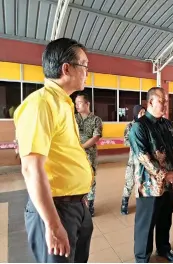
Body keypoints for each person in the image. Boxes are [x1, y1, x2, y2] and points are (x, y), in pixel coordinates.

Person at [13, 38, 93, 263]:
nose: (87, 71)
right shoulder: (41, 105)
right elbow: (31, 169)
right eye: (84, 65)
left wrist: (79, 196)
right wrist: (53, 224)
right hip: (56, 209)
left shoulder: (64, 104)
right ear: (66, 68)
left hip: (75, 205)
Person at [129, 87, 173, 263]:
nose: (165, 104)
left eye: (166, 101)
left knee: (165, 219)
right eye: (162, 101)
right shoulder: (139, 127)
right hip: (150, 186)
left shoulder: (169, 125)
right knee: (146, 224)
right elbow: (143, 157)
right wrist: (165, 174)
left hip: (171, 184)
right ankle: (142, 257)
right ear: (151, 101)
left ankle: (163, 248)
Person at [75, 92, 103, 217]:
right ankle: (77, 204)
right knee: (75, 177)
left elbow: (96, 137)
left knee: (90, 179)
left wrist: (81, 147)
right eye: (75, 103)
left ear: (87, 104)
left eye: (79, 102)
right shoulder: (73, 118)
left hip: (89, 155)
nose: (77, 105)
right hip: (74, 154)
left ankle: (90, 204)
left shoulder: (96, 120)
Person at [120, 105, 146, 215]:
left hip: (144, 160)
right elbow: (125, 141)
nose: (143, 114)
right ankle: (124, 203)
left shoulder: (147, 126)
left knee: (143, 182)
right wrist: (136, 142)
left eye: (144, 112)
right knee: (129, 182)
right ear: (136, 113)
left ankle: (142, 204)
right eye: (141, 112)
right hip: (133, 161)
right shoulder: (130, 126)